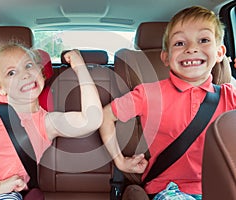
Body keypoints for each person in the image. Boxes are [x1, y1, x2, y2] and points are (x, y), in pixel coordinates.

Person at [99, 5, 236, 200]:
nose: (192, 48)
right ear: (166, 57)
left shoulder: (230, 95)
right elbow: (105, 115)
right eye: (180, 43)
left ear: (220, 52)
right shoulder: (149, 93)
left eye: (204, 40)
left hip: (222, 186)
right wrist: (120, 161)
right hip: (171, 189)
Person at [0, 44, 103, 200]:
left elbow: (91, 120)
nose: (25, 75)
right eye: (11, 72)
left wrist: (80, 67)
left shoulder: (46, 123)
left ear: (40, 72)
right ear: (0, 88)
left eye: (28, 65)